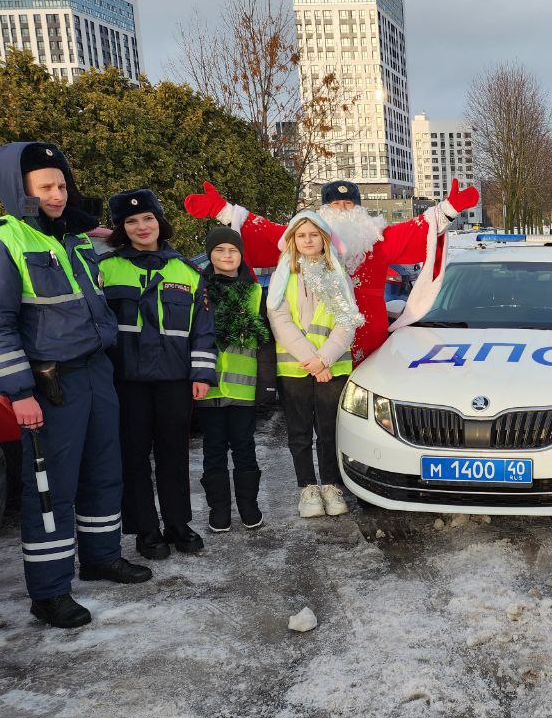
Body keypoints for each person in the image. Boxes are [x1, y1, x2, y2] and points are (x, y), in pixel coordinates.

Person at [0, 142, 151, 628]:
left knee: (104, 469)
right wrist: (19, 392)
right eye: (45, 186)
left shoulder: (74, 238)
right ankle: (49, 591)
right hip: (50, 385)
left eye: (62, 185)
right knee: (52, 488)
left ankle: (101, 556)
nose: (57, 194)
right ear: (18, 188)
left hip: (95, 372)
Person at [184, 178, 479, 363]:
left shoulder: (378, 237)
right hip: (318, 337)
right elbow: (262, 232)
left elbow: (419, 230)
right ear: (323, 210)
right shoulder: (304, 239)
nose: (342, 209)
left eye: (349, 203)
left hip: (368, 332)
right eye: (335, 204)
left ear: (360, 209)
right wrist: (223, 210)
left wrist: (449, 209)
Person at [100, 190, 217, 560]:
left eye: (148, 219)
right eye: (131, 221)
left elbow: (203, 329)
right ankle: (146, 531)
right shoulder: (105, 269)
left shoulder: (185, 270)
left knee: (174, 455)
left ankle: (178, 525)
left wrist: (201, 373)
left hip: (174, 380)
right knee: (133, 457)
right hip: (126, 381)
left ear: (159, 222)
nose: (141, 227)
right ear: (121, 228)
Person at [267, 211, 363, 518]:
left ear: (324, 239)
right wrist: (311, 359)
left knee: (328, 430)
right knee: (298, 431)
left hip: (332, 366)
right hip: (295, 366)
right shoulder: (283, 277)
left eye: (313, 235)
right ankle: (307, 488)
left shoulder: (338, 275)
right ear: (292, 240)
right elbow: (279, 320)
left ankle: (331, 486)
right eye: (301, 235)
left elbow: (347, 323)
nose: (308, 241)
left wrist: (324, 359)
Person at [197, 227, 271, 532]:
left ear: (241, 256)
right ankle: (219, 510)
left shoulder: (254, 292)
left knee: (244, 447)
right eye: (219, 251)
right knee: (213, 449)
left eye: (233, 251)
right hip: (208, 386)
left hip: (243, 388)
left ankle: (249, 506)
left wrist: (267, 385)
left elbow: (266, 342)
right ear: (210, 255)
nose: (226, 257)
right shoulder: (199, 291)